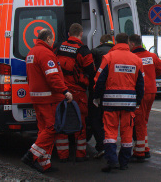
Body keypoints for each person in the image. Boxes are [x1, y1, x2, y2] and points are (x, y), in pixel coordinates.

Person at [21, 29, 73, 173]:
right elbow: (53, 77)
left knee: (43, 130)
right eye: (52, 39)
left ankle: (44, 163)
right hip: (48, 98)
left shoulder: (31, 53)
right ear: (48, 38)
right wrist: (65, 91)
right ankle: (31, 155)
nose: (52, 42)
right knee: (52, 128)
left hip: (37, 97)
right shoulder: (46, 53)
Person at [94, 33, 144, 172]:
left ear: (115, 42)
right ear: (128, 42)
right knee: (127, 133)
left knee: (110, 133)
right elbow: (141, 84)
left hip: (110, 102)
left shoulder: (109, 58)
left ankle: (112, 161)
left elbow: (99, 80)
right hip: (129, 103)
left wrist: (97, 97)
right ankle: (124, 162)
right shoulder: (136, 60)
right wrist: (137, 100)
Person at [54, 23, 95, 162]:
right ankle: (80, 154)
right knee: (80, 123)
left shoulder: (58, 47)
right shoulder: (83, 50)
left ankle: (63, 155)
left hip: (61, 91)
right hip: (78, 92)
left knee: (61, 122)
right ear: (81, 33)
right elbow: (91, 71)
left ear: (68, 34)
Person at [129, 34, 161, 162]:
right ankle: (145, 148)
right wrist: (151, 75)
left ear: (133, 44)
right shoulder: (152, 56)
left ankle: (139, 152)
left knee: (139, 122)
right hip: (151, 92)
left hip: (140, 93)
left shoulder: (133, 57)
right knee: (143, 121)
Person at [88, 34, 114, 159]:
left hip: (99, 91)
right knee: (110, 123)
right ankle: (111, 149)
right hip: (115, 92)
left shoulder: (95, 52)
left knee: (95, 119)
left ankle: (101, 145)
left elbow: (93, 73)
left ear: (101, 42)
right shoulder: (116, 52)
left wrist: (95, 95)